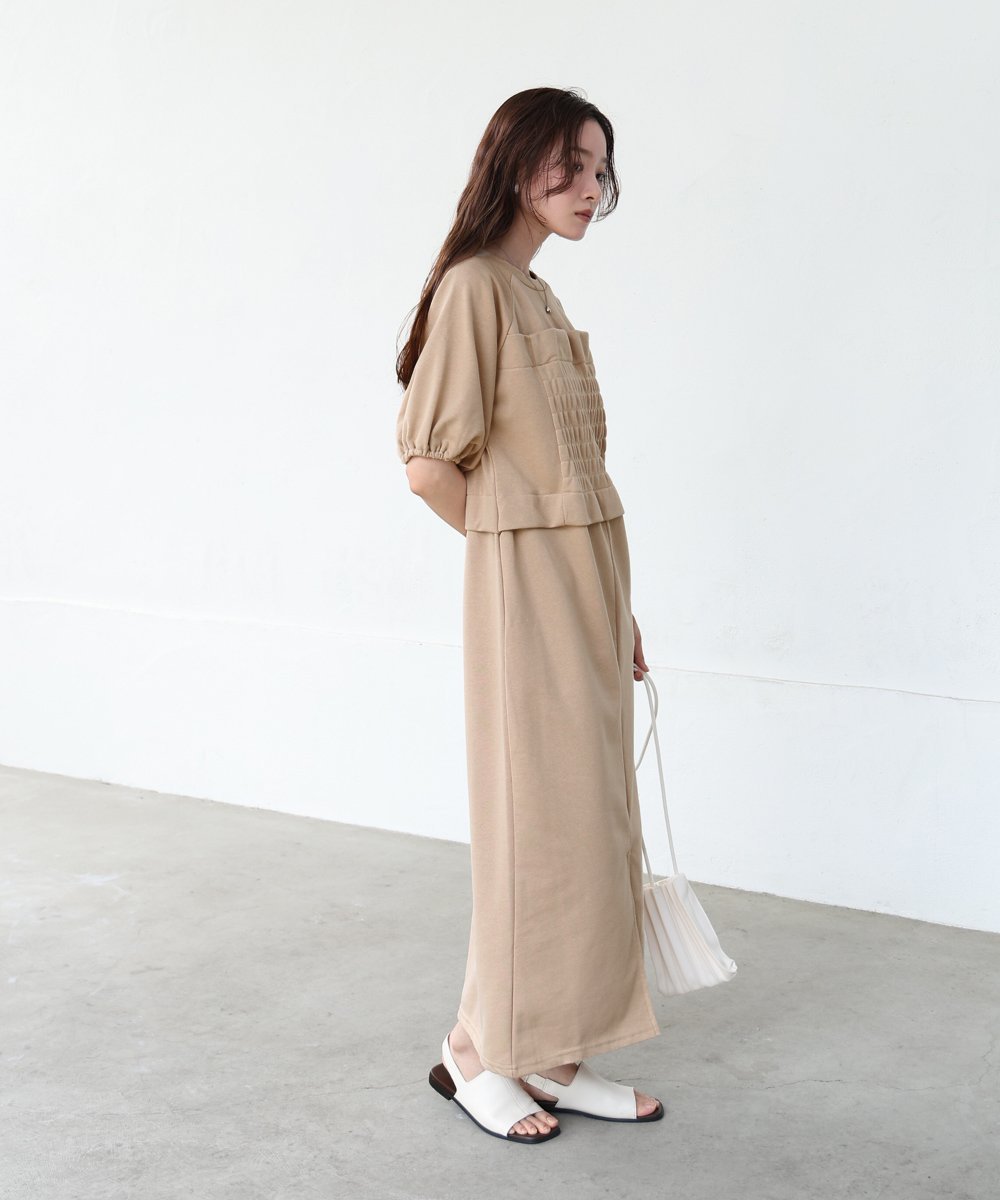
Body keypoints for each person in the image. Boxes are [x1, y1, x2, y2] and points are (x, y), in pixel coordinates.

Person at [394, 87, 664, 1144]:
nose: (592, 189)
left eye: (600, 170)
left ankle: (550, 1053)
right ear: (516, 164)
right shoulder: (474, 288)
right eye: (573, 166)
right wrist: (527, 571)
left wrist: (611, 605)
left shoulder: (534, 293)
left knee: (586, 826)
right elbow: (430, 467)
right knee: (532, 823)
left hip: (587, 590)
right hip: (532, 596)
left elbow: (571, 474)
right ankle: (475, 1051)